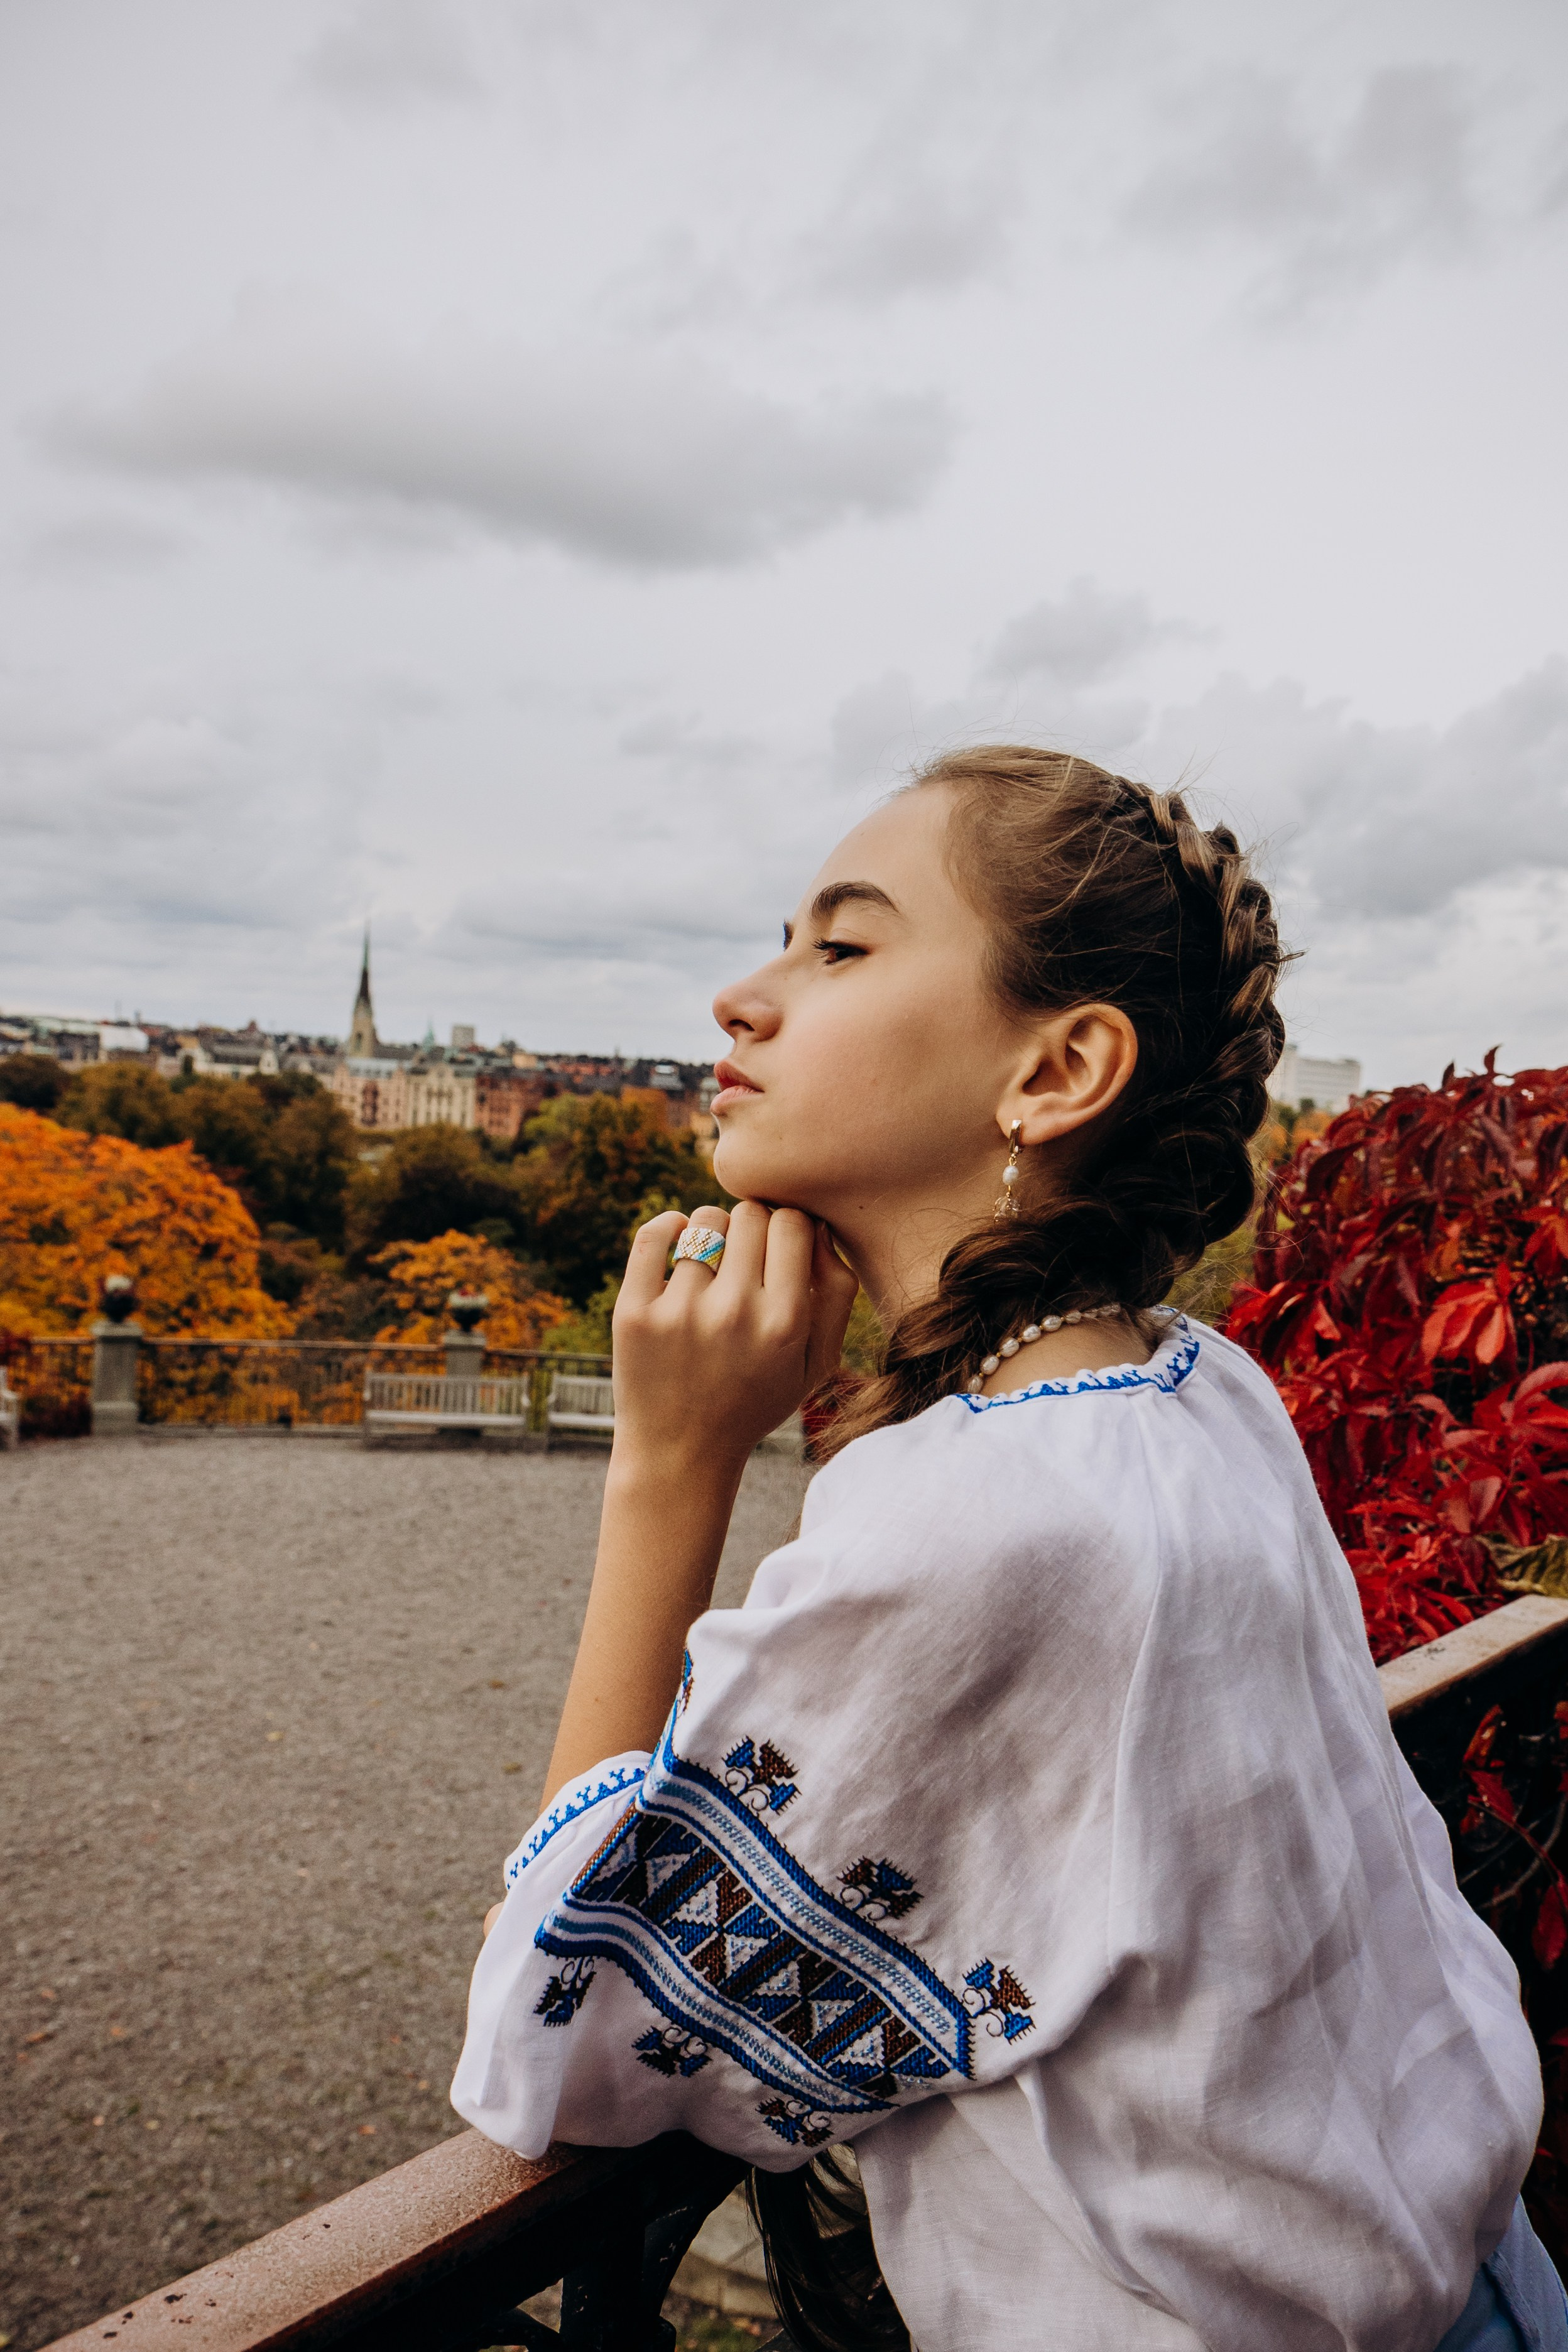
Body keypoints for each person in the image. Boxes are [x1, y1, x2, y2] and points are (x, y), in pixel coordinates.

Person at [453, 748, 1562, 2351]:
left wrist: (671, 1470)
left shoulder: (985, 1520)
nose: (739, 1000)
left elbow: (552, 2041)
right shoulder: (1199, 1384)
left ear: (1056, 1072)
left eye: (839, 946)